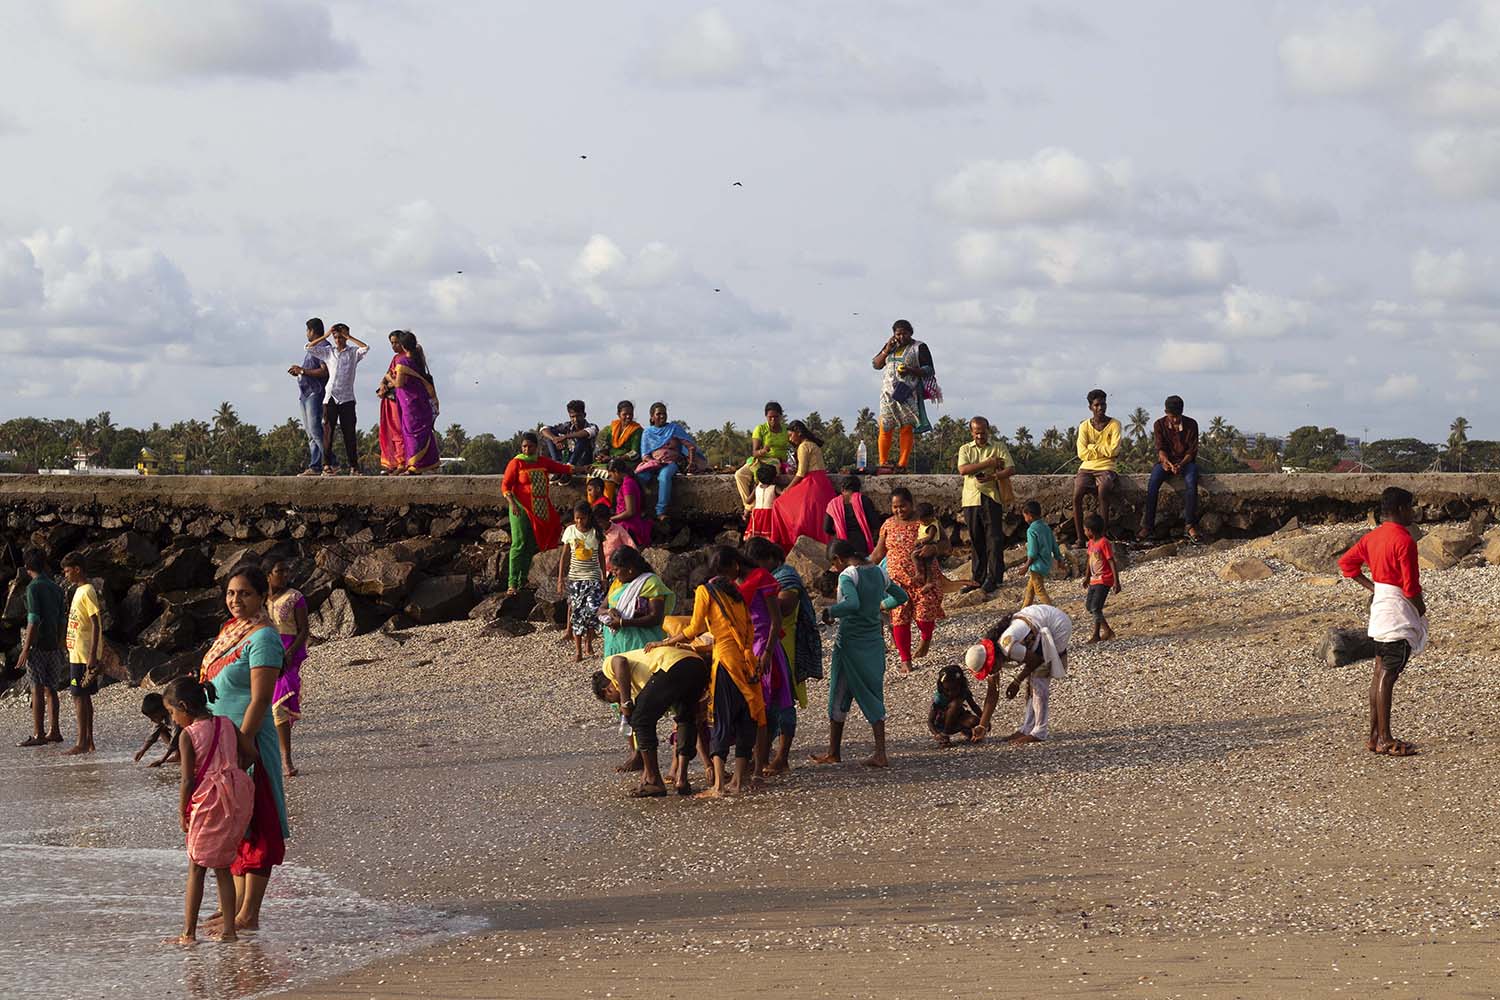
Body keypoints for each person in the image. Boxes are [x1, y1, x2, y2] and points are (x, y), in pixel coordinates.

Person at [199, 562, 288, 932]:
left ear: (261, 596)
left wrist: (243, 745)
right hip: (221, 743)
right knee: (233, 824)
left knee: (257, 823)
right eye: (231, 593)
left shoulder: (264, 637)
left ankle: (249, 913)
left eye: (245, 593)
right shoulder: (230, 631)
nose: (236, 600)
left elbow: (260, 698)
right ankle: (233, 907)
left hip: (249, 743)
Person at [650, 547, 764, 799]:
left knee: (721, 719)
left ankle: (718, 787)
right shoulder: (735, 594)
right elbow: (747, 630)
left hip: (725, 663)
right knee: (746, 718)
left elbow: (694, 627)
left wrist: (666, 642)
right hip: (747, 662)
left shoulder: (706, 592)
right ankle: (736, 781)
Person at [1338, 487, 1428, 757]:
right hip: (1397, 611)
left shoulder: (1372, 537)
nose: (1413, 512)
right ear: (1400, 509)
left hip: (1380, 609)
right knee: (1388, 675)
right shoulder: (1404, 540)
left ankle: (1375, 736)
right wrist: (1422, 612)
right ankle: (1385, 739)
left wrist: (1374, 587)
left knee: (1380, 673)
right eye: (1410, 507)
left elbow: (1346, 565)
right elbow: (1411, 587)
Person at [163, 674, 253, 945]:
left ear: (184, 706)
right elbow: (251, 754)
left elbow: (188, 778)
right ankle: (229, 931)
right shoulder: (226, 723)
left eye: (172, 712)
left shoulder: (188, 735)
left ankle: (188, 933)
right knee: (223, 866)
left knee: (196, 866)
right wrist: (231, 770)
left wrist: (182, 812)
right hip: (236, 796)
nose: (172, 719)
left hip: (208, 801)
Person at [811, 539, 908, 768]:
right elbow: (901, 597)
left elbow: (852, 604)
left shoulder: (847, 576)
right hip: (874, 641)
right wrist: (879, 606)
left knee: (838, 693)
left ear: (838, 559)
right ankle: (878, 751)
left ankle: (836, 751)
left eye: (833, 563)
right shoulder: (877, 571)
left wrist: (830, 611)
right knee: (873, 693)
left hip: (850, 642)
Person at [593, 646, 710, 797]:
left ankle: (654, 781)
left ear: (607, 690)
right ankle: (681, 779)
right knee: (685, 718)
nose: (616, 702)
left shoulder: (608, 666)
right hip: (696, 665)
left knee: (640, 721)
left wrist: (625, 701)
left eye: (612, 700)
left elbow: (619, 661)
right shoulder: (640, 681)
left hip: (672, 665)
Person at [747, 537, 821, 776]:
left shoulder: (785, 577)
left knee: (784, 702)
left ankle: (782, 757)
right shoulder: (768, 578)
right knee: (767, 703)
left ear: (768, 559)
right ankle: (763, 754)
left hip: (784, 646)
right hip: (769, 642)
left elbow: (784, 608)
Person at [966, 603, 1073, 744]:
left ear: (992, 660)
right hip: (1037, 619)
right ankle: (1027, 728)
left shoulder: (1007, 647)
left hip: (1056, 624)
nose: (991, 672)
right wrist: (982, 726)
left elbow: (1035, 661)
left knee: (1038, 680)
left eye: (990, 669)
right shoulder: (992, 651)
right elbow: (992, 694)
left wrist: (1017, 681)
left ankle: (1040, 732)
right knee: (1031, 683)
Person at [734, 547, 796, 778]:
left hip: (766, 647)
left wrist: (768, 652)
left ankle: (777, 758)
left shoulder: (761, 578)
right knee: (760, 706)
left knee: (776, 704)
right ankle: (761, 758)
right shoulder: (744, 581)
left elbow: (776, 618)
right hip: (751, 648)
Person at [869, 487, 945, 669]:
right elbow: (879, 552)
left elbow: (946, 544)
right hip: (897, 582)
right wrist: (860, 568)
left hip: (925, 579)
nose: (899, 510)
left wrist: (934, 549)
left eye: (902, 506)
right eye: (895, 507)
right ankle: (906, 660)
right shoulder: (887, 525)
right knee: (899, 618)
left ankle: (926, 638)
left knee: (924, 617)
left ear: (911, 504)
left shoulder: (926, 521)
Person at [500, 432, 575, 596]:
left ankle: (522, 580)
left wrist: (582, 468)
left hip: (539, 509)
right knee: (518, 544)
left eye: (530, 446)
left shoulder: (542, 462)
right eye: (524, 446)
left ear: (537, 447)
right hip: (520, 509)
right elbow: (505, 486)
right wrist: (512, 503)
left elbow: (562, 468)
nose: (527, 449)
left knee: (530, 545)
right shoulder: (516, 463)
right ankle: (512, 583)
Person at [956, 416, 1015, 594]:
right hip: (971, 499)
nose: (980, 436)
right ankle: (977, 578)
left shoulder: (998, 446)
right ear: (971, 432)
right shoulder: (965, 449)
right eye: (977, 433)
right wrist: (988, 463)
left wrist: (993, 476)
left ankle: (994, 577)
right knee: (976, 539)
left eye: (983, 432)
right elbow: (963, 470)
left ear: (988, 430)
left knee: (994, 539)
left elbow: (1011, 469)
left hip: (991, 496)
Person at [871, 319, 939, 470]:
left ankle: (902, 463)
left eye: (904, 334)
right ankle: (883, 462)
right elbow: (876, 364)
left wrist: (910, 370)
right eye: (898, 334)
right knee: (885, 426)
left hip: (907, 393)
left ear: (911, 333)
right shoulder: (890, 347)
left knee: (906, 427)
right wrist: (886, 350)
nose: (901, 337)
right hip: (887, 394)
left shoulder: (919, 347)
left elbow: (929, 369)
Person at [14, 548, 66, 747]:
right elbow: (62, 620)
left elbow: (33, 620)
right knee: (51, 689)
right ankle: (55, 731)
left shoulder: (33, 588)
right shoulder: (56, 588)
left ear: (27, 568)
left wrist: (26, 648)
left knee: (37, 688)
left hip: (37, 646)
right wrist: (60, 644)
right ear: (44, 564)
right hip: (54, 645)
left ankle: (38, 734)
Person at [307, 323, 370, 476]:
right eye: (336, 337)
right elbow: (309, 347)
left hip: (347, 398)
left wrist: (349, 337)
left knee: (349, 434)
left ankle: (354, 467)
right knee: (328, 432)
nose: (338, 340)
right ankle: (326, 465)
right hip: (331, 397)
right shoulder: (329, 352)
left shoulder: (353, 353)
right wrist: (326, 335)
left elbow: (366, 348)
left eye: (341, 337)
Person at [267, 560, 309, 778]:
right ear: (267, 575)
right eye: (279, 571)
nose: (284, 574)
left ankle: (286, 759)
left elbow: (304, 630)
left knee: (280, 703)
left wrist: (291, 652)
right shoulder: (259, 599)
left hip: (289, 654)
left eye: (286, 570)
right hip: (265, 653)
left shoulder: (295, 597)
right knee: (267, 706)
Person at [1141, 395, 1202, 542]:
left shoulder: (1191, 424)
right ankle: (1148, 526)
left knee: (1191, 483)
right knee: (1153, 484)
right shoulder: (1159, 425)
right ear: (1166, 413)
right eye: (1172, 416)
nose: (1175, 420)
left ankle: (1189, 525)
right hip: (1165, 463)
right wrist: (1166, 462)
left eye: (1177, 416)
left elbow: (1192, 451)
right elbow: (1160, 448)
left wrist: (1181, 464)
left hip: (1186, 463)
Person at [771, 420, 839, 551]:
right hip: (822, 483)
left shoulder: (803, 446)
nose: (790, 439)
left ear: (798, 432)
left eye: (791, 435)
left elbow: (801, 473)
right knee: (815, 518)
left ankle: (784, 542)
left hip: (812, 482)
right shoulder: (813, 445)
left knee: (779, 504)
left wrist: (787, 489)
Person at [600, 546, 675, 660]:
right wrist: (609, 611)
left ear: (630, 569)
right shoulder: (617, 584)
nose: (614, 574)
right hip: (616, 643)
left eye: (616, 570)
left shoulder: (650, 583)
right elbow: (601, 609)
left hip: (641, 644)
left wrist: (623, 623)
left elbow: (655, 617)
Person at [60, 552, 101, 755]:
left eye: (67, 571)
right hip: (76, 652)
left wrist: (92, 655)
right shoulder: (78, 591)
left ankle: (81, 742)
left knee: (78, 696)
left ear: (77, 569)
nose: (65, 575)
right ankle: (89, 741)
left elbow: (96, 624)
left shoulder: (87, 591)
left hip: (83, 654)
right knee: (84, 696)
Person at [386, 331, 441, 475]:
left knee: (412, 434)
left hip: (410, 404)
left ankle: (415, 466)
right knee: (423, 432)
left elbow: (399, 384)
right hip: (419, 401)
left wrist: (388, 378)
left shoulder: (403, 362)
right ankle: (429, 463)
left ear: (403, 346)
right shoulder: (417, 359)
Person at [635, 402, 702, 519]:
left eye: (664, 413)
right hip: (653, 463)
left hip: (670, 463)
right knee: (640, 477)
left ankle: (660, 511)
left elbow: (690, 446)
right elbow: (644, 455)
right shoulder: (647, 432)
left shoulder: (674, 428)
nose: (662, 416)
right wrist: (654, 462)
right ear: (652, 417)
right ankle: (639, 508)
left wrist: (691, 462)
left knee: (664, 477)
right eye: (658, 414)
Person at [559, 502, 607, 662]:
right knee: (577, 613)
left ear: (588, 517)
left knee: (593, 611)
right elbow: (565, 557)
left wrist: (604, 577)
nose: (579, 522)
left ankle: (589, 642)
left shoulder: (596, 533)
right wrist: (561, 578)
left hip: (593, 577)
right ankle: (578, 650)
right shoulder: (570, 531)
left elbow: (601, 556)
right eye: (577, 519)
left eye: (582, 518)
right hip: (575, 578)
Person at [1072, 389, 1122, 545]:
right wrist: (1103, 450)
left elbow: (1114, 450)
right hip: (1087, 467)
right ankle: (1080, 538)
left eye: (1103, 404)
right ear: (1090, 407)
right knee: (1077, 494)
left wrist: (1093, 448)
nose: (1101, 408)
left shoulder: (1114, 424)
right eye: (1097, 405)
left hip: (1107, 467)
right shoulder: (1084, 426)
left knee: (1104, 490)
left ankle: (1102, 535)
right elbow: (1082, 453)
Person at [288, 318, 330, 477]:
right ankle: (315, 466)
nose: (306, 334)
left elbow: (324, 371)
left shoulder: (323, 347)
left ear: (312, 331)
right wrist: (299, 371)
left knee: (316, 430)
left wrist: (303, 371)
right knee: (310, 433)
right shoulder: (313, 348)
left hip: (315, 392)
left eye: (307, 330)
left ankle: (331, 462)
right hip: (305, 393)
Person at [734, 402, 791, 510]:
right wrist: (763, 451)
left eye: (776, 417)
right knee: (739, 475)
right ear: (766, 417)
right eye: (770, 417)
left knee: (765, 478)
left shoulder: (786, 431)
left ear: (780, 416)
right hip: (759, 460)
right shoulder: (760, 429)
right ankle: (750, 506)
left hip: (776, 461)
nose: (773, 420)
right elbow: (754, 452)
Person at [823, 475, 882, 559]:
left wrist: (838, 532)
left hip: (841, 543)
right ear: (859, 488)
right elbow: (875, 524)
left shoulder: (833, 504)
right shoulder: (864, 500)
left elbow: (826, 528)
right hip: (861, 542)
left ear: (842, 489)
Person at [1083, 514, 1121, 642]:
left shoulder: (1104, 543)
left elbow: (1111, 561)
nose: (1084, 532)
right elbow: (1089, 560)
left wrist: (1116, 581)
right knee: (1090, 606)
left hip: (1104, 580)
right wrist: (1087, 577)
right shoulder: (1091, 543)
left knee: (1095, 607)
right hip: (1094, 580)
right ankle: (1108, 631)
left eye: (1085, 529)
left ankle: (1096, 634)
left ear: (1090, 531)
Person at [375, 330, 407, 474]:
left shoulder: (407, 358)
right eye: (391, 343)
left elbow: (400, 381)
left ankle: (401, 461)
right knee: (386, 431)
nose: (393, 346)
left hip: (398, 399)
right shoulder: (395, 358)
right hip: (388, 399)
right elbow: (386, 375)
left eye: (396, 343)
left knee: (398, 431)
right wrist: (382, 385)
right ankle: (391, 463)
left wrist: (387, 385)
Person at [1022, 501, 1064, 607]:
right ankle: (1024, 610)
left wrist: (1026, 566)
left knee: (1040, 591)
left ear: (1029, 515)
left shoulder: (1031, 530)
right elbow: (1054, 545)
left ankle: (1053, 611)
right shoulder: (1045, 527)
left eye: (1024, 516)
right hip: (1046, 563)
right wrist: (1059, 558)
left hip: (1036, 566)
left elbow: (1032, 552)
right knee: (1030, 589)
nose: (1024, 519)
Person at [929, 664, 982, 746]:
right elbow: (930, 721)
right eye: (947, 690)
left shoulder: (964, 692)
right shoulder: (939, 698)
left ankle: (967, 732)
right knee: (955, 704)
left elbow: (974, 706)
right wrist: (936, 734)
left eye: (954, 689)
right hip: (941, 724)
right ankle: (945, 734)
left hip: (958, 719)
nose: (950, 693)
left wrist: (984, 722)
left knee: (975, 721)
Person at [541, 400, 599, 474]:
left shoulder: (592, 426)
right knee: (550, 435)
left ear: (584, 415)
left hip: (586, 462)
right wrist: (555, 439)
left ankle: (569, 467)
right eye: (572, 417)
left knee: (584, 438)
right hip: (570, 459)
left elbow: (587, 432)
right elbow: (543, 429)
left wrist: (565, 437)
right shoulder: (567, 426)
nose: (575, 419)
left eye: (578, 416)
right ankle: (558, 464)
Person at [607, 457, 653, 547]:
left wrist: (611, 519)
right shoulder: (629, 482)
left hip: (629, 526)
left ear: (616, 471)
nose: (612, 479)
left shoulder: (627, 484)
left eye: (611, 475)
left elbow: (630, 511)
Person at [135, 692, 180, 767]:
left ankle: (179, 754)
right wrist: (143, 750)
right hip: (177, 733)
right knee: (161, 729)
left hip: (189, 732)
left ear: (160, 711)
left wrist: (162, 760)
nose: (152, 720)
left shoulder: (173, 715)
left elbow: (175, 738)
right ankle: (177, 753)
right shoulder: (161, 716)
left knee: (181, 735)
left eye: (153, 717)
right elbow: (153, 735)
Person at [599, 400, 643, 466]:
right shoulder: (610, 428)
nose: (628, 417)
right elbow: (602, 445)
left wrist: (615, 458)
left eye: (630, 414)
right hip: (609, 460)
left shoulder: (637, 430)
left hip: (626, 462)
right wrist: (602, 455)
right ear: (618, 414)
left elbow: (635, 453)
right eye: (625, 414)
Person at [744, 464, 779, 542]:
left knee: (755, 535)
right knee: (768, 536)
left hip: (757, 514)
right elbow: (784, 494)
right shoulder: (774, 488)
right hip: (769, 514)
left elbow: (748, 501)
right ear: (774, 478)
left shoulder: (756, 488)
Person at [912, 502, 944, 590]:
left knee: (917, 557)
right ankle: (925, 578)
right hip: (925, 546)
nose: (923, 523)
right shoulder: (924, 523)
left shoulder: (932, 526)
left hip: (929, 546)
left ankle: (921, 574)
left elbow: (930, 537)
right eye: (921, 521)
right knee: (927, 565)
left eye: (925, 521)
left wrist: (920, 541)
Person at [595, 502, 636, 569]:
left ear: (607, 519)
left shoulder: (619, 530)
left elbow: (632, 548)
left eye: (600, 522)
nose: (598, 525)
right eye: (596, 522)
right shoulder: (594, 532)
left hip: (616, 571)